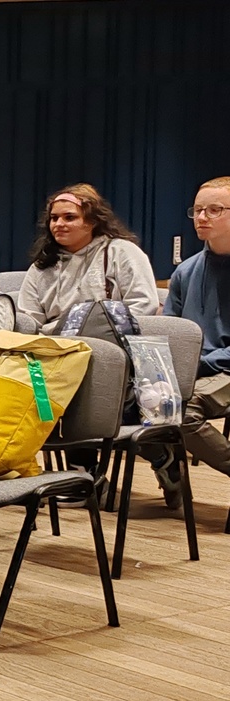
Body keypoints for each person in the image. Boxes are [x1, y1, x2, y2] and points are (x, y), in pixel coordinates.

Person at [150, 178, 230, 504]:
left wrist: (199, 364)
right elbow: (172, 333)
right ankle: (169, 466)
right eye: (197, 210)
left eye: (214, 210)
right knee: (133, 403)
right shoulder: (186, 271)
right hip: (193, 369)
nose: (201, 217)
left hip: (223, 370)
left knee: (182, 412)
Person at [17, 183, 159, 334]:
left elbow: (143, 303)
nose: (59, 224)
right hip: (52, 341)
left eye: (69, 217)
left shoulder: (122, 252)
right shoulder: (42, 264)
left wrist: (96, 328)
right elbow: (29, 320)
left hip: (107, 338)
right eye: (54, 218)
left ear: (92, 222)